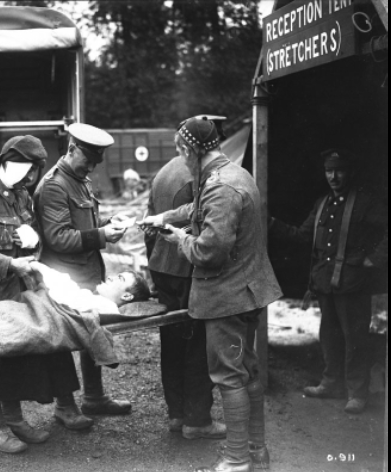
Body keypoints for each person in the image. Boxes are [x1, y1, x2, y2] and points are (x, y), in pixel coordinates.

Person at [142, 116, 282, 472]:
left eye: (182, 153)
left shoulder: (219, 186)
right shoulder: (233, 174)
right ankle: (256, 451)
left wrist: (177, 238)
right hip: (246, 291)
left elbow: (209, 252)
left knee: (227, 376)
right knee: (246, 370)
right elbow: (196, 209)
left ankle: (237, 460)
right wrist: (163, 218)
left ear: (190, 150)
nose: (182, 160)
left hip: (226, 297)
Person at [0, 135, 82, 454]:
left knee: (11, 360)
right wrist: (11, 264)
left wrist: (31, 242)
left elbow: (31, 236)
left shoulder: (21, 196)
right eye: (27, 170)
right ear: (9, 164)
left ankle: (14, 420)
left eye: (34, 172)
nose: (30, 179)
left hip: (12, 294)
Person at [268, 148, 388, 415]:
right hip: (325, 281)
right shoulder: (323, 203)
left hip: (353, 282)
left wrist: (376, 259)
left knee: (355, 338)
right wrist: (270, 223)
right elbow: (301, 235)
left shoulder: (366, 202)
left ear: (350, 171)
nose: (333, 176)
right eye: (328, 170)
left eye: (339, 170)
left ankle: (358, 392)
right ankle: (332, 383)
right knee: (330, 335)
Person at [33, 122, 134, 420]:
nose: (91, 168)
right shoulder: (53, 185)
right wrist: (103, 236)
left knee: (93, 332)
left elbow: (85, 225)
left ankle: (94, 398)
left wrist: (109, 224)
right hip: (65, 279)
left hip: (87, 273)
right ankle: (65, 406)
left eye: (95, 162)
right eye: (87, 160)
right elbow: (59, 238)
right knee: (62, 341)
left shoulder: (80, 180)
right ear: (72, 149)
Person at [144, 131, 225, 440]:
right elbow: (203, 227)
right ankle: (198, 419)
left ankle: (177, 414)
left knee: (173, 344)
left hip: (163, 268)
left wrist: (153, 268)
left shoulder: (163, 172)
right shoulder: (201, 176)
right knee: (198, 345)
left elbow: (149, 226)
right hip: (189, 268)